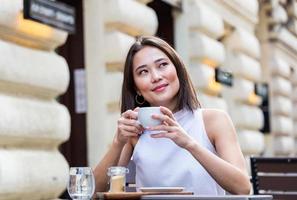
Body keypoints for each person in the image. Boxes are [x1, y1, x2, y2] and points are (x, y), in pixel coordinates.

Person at [93, 35, 251, 195]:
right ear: (136, 88)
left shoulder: (213, 121)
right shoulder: (135, 130)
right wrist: (118, 143)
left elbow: (243, 187)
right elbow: (93, 193)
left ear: (177, 69)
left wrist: (189, 144)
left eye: (162, 65)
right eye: (143, 72)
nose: (156, 77)